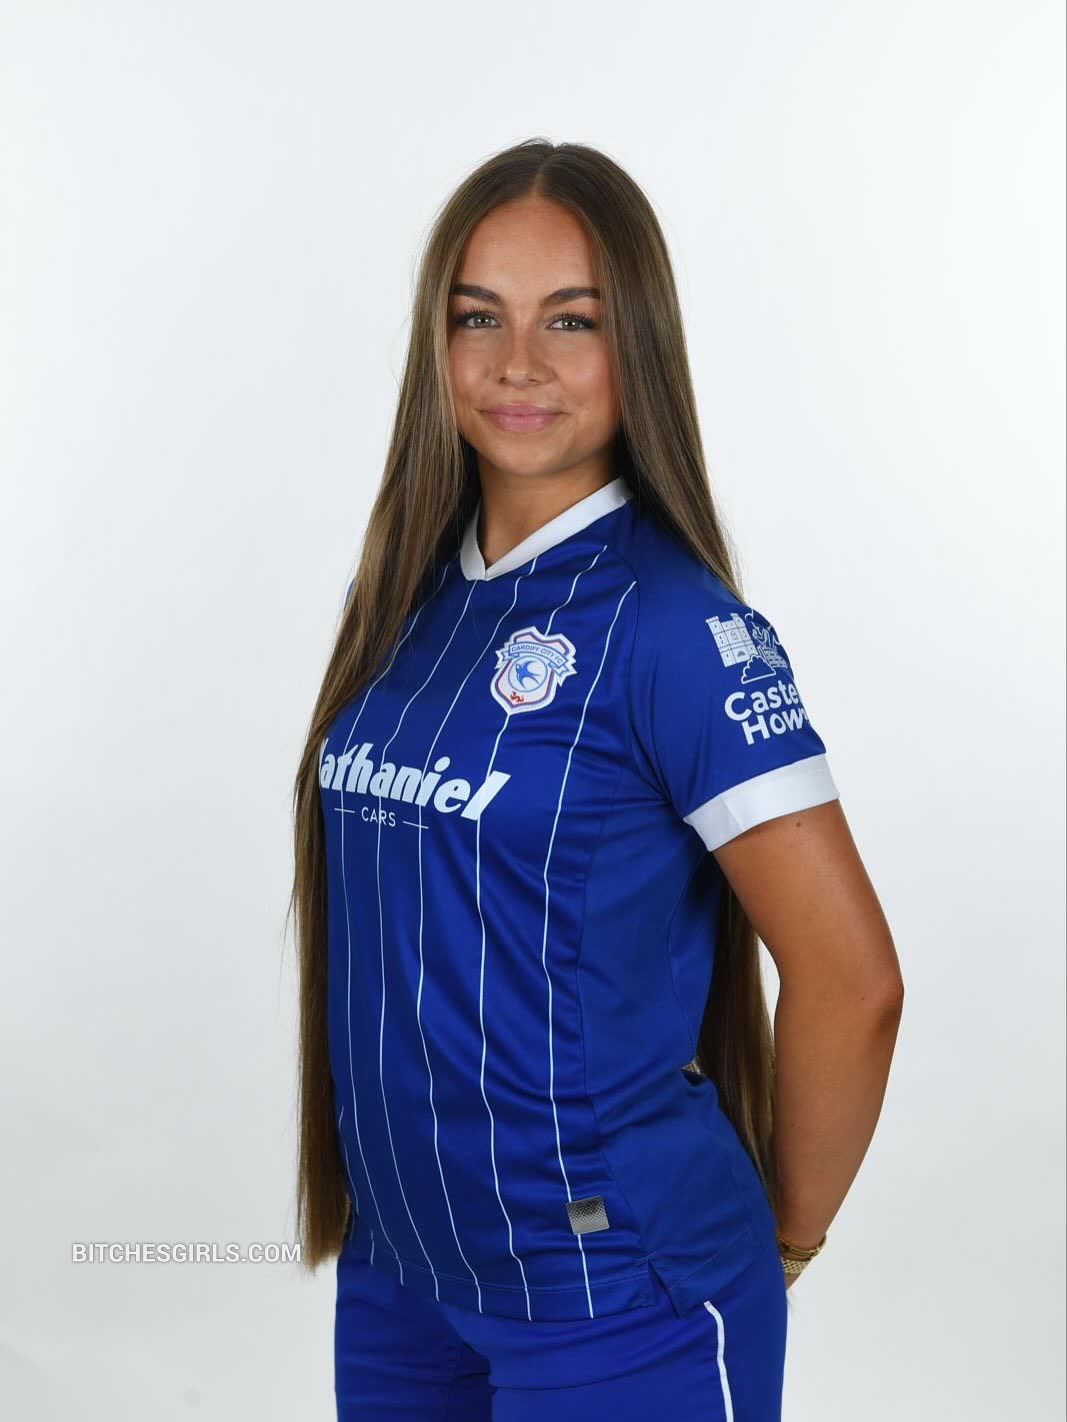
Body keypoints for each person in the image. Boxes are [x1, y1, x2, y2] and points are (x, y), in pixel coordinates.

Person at [288, 138, 904, 1421]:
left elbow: (853, 983)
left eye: (570, 320)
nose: (517, 361)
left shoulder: (676, 628)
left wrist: (780, 1242)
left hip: (615, 1294)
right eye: (478, 317)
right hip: (403, 1275)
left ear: (640, 346)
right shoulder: (400, 600)